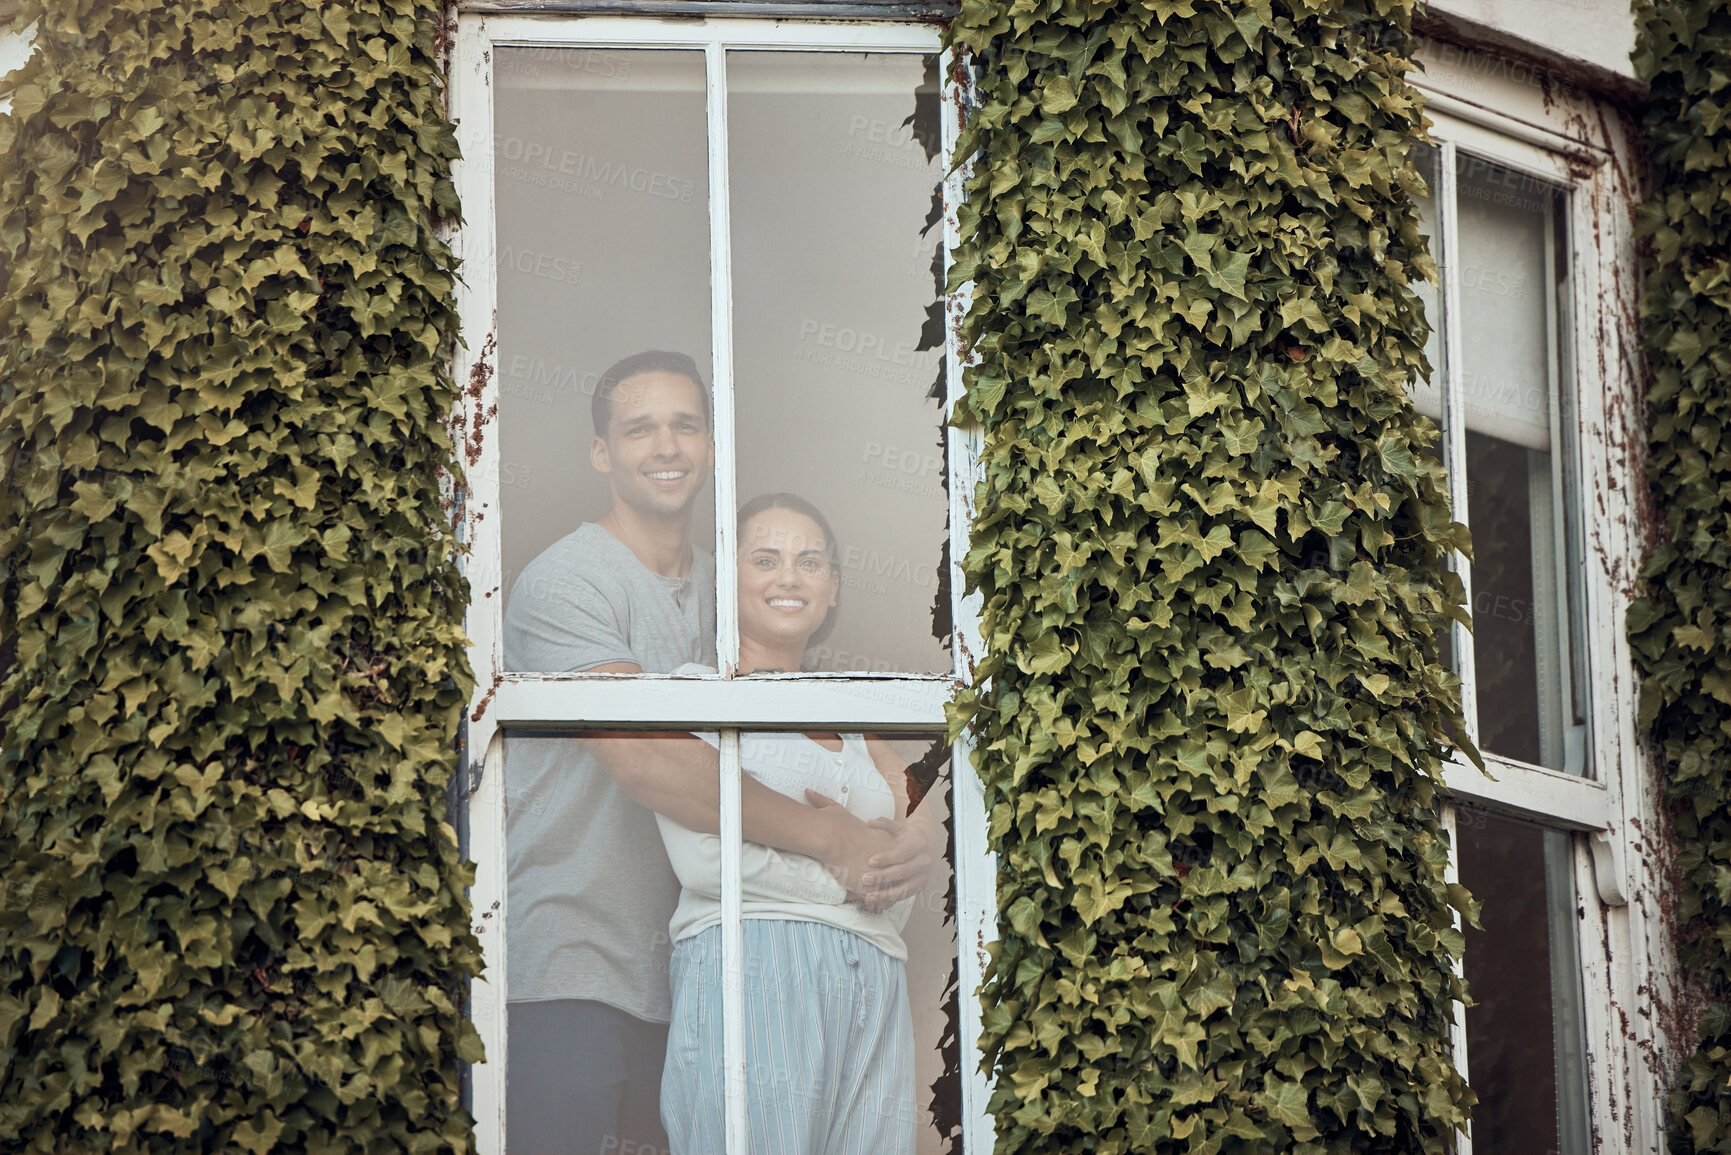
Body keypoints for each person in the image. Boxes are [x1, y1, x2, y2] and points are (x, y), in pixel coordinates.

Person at [503, 355, 937, 1155]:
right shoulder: (568, 581)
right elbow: (650, 762)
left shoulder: (729, 586)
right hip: (576, 964)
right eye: (640, 427)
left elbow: (815, 716)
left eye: (686, 424)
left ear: (710, 443)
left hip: (690, 963)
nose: (666, 446)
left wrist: (911, 826)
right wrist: (837, 840)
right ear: (602, 452)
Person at [655, 493, 941, 1155]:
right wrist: (845, 882)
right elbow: (703, 862)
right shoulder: (695, 689)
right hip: (753, 965)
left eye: (809, 561)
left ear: (833, 585)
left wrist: (918, 844)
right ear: (726, 576)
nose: (789, 576)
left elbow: (917, 822)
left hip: (875, 974)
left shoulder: (851, 715)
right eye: (766, 558)